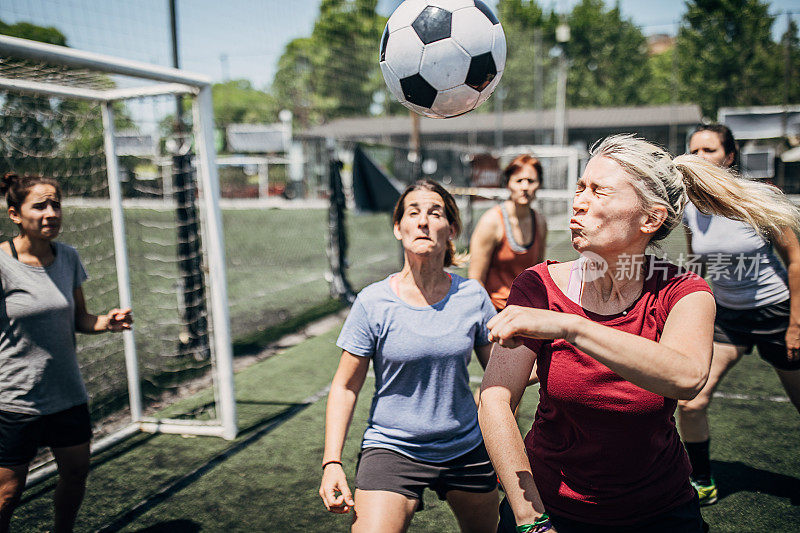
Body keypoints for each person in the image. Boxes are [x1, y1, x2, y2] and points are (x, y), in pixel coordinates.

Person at [478, 134, 799, 532]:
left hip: (659, 512)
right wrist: (530, 518)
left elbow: (686, 377)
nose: (579, 201)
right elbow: (494, 399)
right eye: (581, 187)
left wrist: (570, 326)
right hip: (549, 510)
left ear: (650, 219)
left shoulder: (684, 292)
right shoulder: (537, 285)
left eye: (599, 192)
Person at [319, 179, 499, 533]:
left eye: (435, 213)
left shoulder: (473, 296)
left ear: (451, 229)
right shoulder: (373, 302)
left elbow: (502, 372)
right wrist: (332, 462)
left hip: (464, 446)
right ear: (398, 228)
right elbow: (345, 387)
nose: (423, 221)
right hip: (392, 447)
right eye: (413, 213)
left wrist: (561, 340)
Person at [0, 173, 133, 533]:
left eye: (55, 204)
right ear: (15, 214)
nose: (51, 213)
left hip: (67, 395)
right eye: (39, 205)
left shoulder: (68, 257)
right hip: (16, 398)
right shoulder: (1, 263)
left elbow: (79, 318)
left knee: (75, 476)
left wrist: (107, 322)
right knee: (7, 495)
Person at [678, 124, 800, 506]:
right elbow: (696, 264)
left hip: (776, 313)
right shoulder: (690, 207)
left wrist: (796, 325)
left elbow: (795, 260)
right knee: (690, 399)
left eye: (708, 150)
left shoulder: (759, 199)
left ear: (729, 157)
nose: (698, 158)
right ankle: (702, 480)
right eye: (692, 150)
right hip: (728, 317)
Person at [469, 154, 547, 311]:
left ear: (539, 185)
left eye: (531, 181)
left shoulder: (540, 222)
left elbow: (537, 275)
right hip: (494, 311)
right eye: (519, 181)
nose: (525, 187)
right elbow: (475, 280)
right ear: (508, 184)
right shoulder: (492, 221)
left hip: (525, 312)